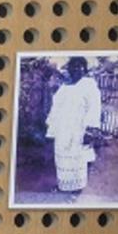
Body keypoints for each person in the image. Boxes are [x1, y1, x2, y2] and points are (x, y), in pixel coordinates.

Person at [46, 56, 103, 194]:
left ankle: (77, 187)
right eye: (73, 66)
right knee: (61, 157)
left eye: (80, 66)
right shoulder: (64, 87)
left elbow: (94, 107)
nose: (76, 69)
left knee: (77, 158)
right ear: (69, 69)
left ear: (85, 69)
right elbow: (56, 108)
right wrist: (51, 127)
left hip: (79, 128)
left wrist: (90, 130)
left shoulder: (89, 85)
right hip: (62, 128)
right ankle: (63, 185)